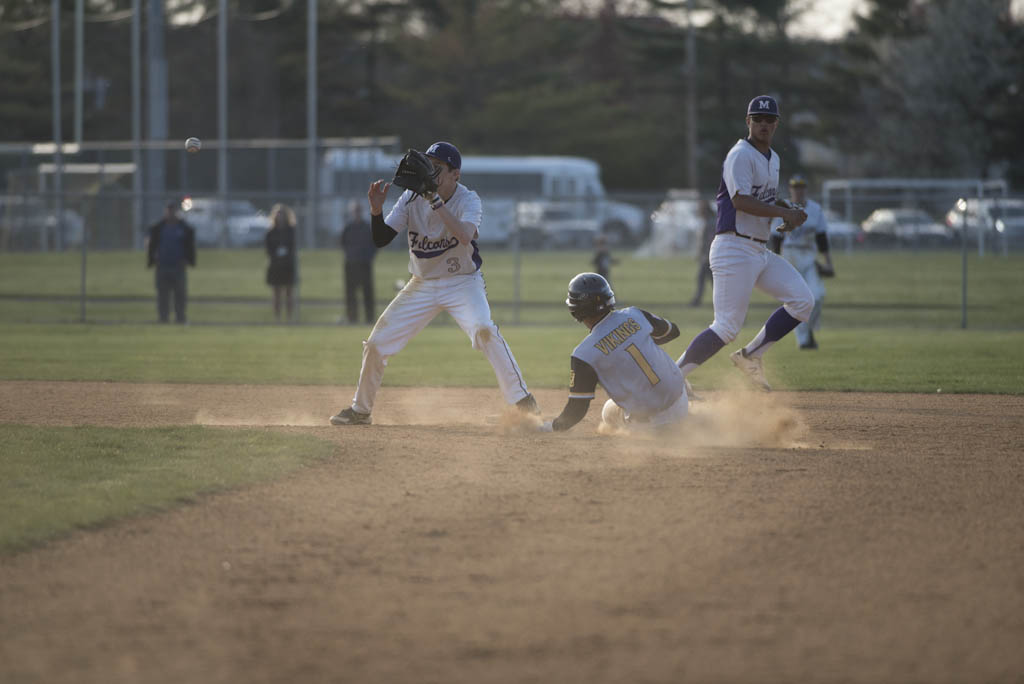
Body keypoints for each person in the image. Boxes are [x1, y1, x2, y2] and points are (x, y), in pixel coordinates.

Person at [330, 141, 540, 426]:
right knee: (377, 345)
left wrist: (436, 202)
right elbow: (381, 239)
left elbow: (466, 235)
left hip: (462, 281)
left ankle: (523, 403)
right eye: (428, 165)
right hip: (422, 283)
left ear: (456, 174)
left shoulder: (468, 199)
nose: (429, 172)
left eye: (437, 168)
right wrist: (376, 211)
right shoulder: (410, 197)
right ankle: (360, 410)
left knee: (484, 330)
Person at [675, 95, 814, 392]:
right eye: (758, 119)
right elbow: (740, 200)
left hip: (758, 250)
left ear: (776, 124)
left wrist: (784, 209)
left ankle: (750, 356)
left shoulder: (772, 158)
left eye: (769, 120)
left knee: (803, 301)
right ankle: (672, 380)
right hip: (733, 248)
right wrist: (782, 211)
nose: (764, 124)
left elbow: (763, 198)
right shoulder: (740, 154)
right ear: (748, 122)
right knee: (726, 327)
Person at [536, 272, 688, 434]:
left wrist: (551, 427)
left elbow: (577, 409)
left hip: (650, 426)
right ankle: (686, 414)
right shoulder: (635, 314)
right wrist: (634, 338)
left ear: (575, 310)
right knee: (668, 373)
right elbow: (673, 332)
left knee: (607, 412)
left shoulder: (583, 354)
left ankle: (652, 427)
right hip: (681, 402)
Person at [769, 174, 835, 350]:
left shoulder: (815, 209)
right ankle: (804, 341)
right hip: (789, 257)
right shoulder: (783, 208)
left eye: (801, 187)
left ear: (806, 189)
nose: (798, 190)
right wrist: (777, 263)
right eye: (795, 187)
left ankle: (807, 329)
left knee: (818, 295)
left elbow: (822, 238)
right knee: (797, 300)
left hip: (809, 257)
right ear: (790, 189)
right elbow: (776, 239)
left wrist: (828, 262)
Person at [146, 199, 196, 324]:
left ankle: (180, 317)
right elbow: (152, 245)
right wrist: (152, 259)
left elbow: (189, 245)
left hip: (178, 266)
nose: (171, 213)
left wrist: (188, 260)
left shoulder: (183, 228)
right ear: (166, 212)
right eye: (169, 211)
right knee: (163, 294)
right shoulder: (159, 228)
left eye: (173, 211)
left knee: (180, 294)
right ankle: (163, 318)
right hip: (162, 265)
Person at [340, 200, 376, 324]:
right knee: (350, 293)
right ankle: (352, 318)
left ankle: (369, 318)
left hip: (365, 263)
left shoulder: (367, 227)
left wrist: (369, 256)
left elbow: (375, 244)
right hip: (351, 264)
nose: (357, 213)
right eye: (355, 211)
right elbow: (343, 243)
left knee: (367, 292)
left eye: (359, 211)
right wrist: (350, 255)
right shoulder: (348, 227)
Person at [265, 203, 298, 322]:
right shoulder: (271, 232)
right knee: (276, 294)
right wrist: (276, 255)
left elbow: (293, 247)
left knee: (289, 293)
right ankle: (277, 318)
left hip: (288, 265)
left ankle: (290, 318)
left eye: (282, 214)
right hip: (275, 265)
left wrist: (286, 254)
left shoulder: (291, 231)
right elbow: (268, 249)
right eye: (278, 214)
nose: (280, 217)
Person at [689, 199, 716, 307]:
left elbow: (708, 241)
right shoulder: (710, 221)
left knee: (704, 279)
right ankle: (697, 300)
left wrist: (703, 255)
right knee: (711, 281)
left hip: (709, 257)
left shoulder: (710, 223)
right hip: (708, 256)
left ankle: (697, 301)